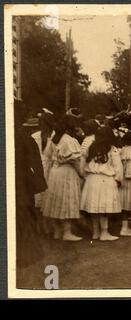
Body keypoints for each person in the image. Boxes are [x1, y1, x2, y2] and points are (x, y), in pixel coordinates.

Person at [15, 100, 48, 267]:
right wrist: (40, 183)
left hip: (17, 179)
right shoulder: (25, 138)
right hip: (22, 182)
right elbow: (36, 164)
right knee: (24, 215)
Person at [42, 114, 83, 241]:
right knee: (66, 200)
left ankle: (57, 231)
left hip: (55, 172)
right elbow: (74, 161)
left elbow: (48, 155)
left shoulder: (54, 138)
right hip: (66, 172)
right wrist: (81, 174)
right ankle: (67, 232)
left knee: (56, 201)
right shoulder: (69, 140)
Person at [80, 127, 123, 241]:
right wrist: (118, 179)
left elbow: (82, 164)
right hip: (106, 179)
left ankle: (96, 232)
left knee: (94, 206)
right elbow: (118, 167)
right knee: (104, 207)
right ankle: (104, 232)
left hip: (92, 179)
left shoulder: (91, 147)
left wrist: (85, 176)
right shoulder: (112, 149)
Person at [31, 112, 54, 233]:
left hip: (51, 169)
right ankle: (39, 225)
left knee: (49, 197)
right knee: (38, 197)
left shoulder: (55, 136)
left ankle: (48, 225)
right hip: (39, 168)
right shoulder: (35, 136)